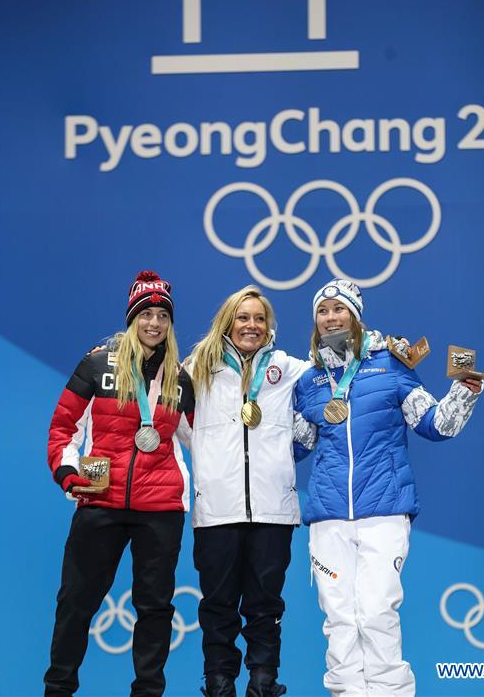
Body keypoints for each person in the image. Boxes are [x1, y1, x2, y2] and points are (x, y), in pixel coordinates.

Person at [294, 279, 484, 697]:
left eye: (339, 309)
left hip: (384, 510)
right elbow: (295, 447)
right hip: (328, 516)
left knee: (378, 613)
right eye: (322, 311)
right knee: (340, 618)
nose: (331, 317)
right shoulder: (308, 382)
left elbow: (435, 425)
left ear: (356, 316)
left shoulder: (391, 367)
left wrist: (463, 392)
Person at [45, 270, 194, 697]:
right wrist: (67, 471)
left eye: (163, 315)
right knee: (76, 602)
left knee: (154, 609)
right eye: (146, 313)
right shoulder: (97, 364)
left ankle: (148, 692)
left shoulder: (179, 379)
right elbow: (63, 427)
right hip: (100, 502)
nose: (154, 323)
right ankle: (58, 689)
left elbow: (203, 437)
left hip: (161, 509)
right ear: (132, 318)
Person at [185, 285, 315, 697]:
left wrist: (380, 344)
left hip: (273, 511)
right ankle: (218, 684)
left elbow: (334, 366)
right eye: (243, 317)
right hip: (217, 511)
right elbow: (174, 422)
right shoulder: (198, 368)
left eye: (260, 318)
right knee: (218, 606)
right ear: (228, 322)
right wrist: (210, 463)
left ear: (269, 326)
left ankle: (263, 682)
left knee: (265, 607)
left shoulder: (287, 368)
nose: (252, 326)